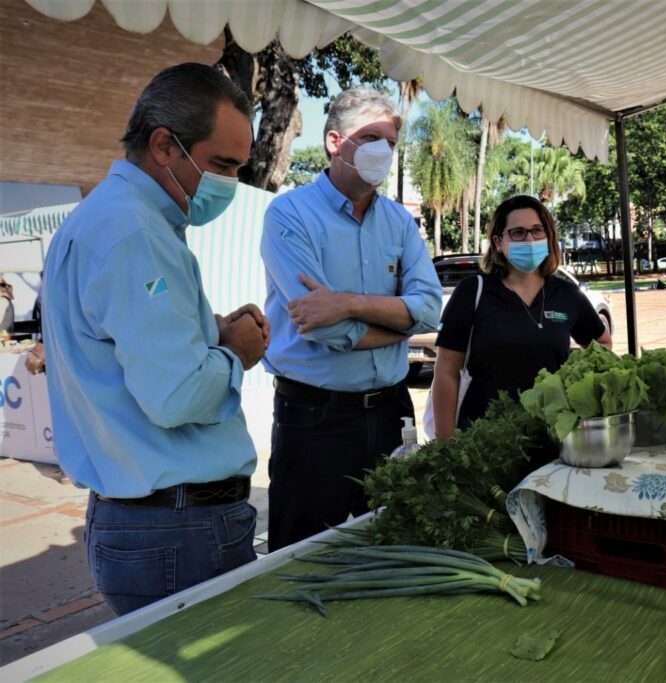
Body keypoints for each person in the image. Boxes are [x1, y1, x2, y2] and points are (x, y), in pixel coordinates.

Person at [41, 63, 269, 616]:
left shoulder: (107, 218)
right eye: (221, 164)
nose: (230, 184)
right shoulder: (135, 231)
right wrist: (236, 352)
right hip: (176, 527)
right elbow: (176, 395)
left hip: (158, 522)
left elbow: (128, 349)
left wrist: (209, 331)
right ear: (165, 145)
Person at [260, 89, 441, 551]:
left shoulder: (399, 222)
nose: (385, 151)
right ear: (334, 142)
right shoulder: (290, 214)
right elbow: (325, 328)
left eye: (391, 142)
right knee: (303, 560)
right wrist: (397, 326)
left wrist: (348, 303)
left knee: (393, 550)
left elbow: (429, 309)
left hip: (391, 413)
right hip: (314, 418)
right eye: (371, 138)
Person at [431, 195, 612, 441]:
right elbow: (446, 369)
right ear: (498, 242)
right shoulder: (473, 292)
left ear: (548, 236)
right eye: (517, 233)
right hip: (484, 442)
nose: (529, 239)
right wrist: (445, 442)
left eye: (537, 230)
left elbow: (602, 343)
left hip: (551, 439)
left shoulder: (566, 294)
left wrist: (578, 376)